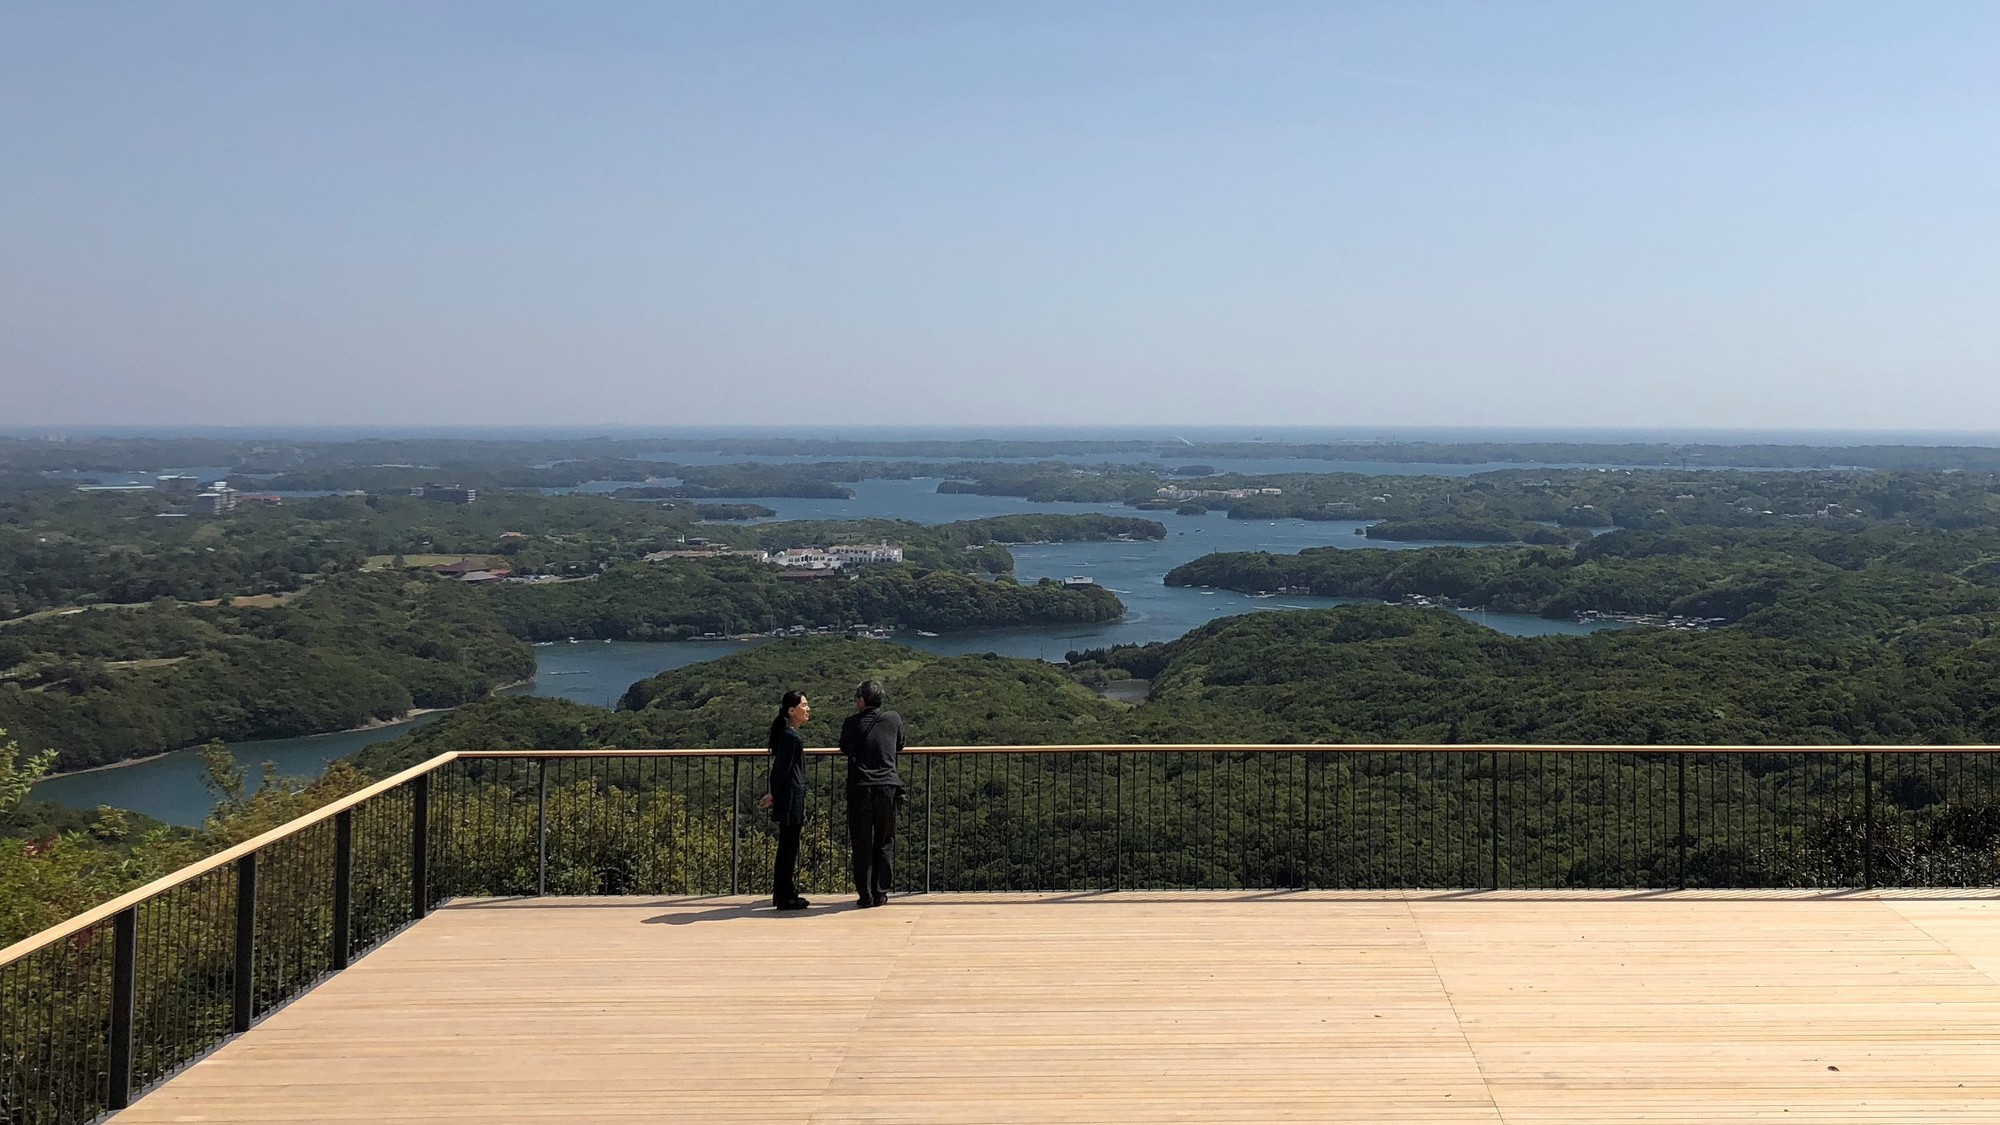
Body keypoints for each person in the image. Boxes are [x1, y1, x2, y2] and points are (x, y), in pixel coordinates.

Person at [838, 679, 903, 908]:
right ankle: (881, 892)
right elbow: (900, 745)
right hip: (887, 786)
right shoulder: (893, 719)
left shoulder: (851, 723)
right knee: (885, 840)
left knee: (861, 842)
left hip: (860, 787)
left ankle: (864, 895)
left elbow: (844, 747)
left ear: (862, 700)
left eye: (857, 698)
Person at [758, 690, 811, 911]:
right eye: (804, 705)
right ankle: (784, 895)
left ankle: (784, 893)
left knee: (787, 847)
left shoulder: (787, 735)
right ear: (792, 710)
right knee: (788, 848)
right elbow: (782, 770)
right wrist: (774, 794)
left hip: (788, 795)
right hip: (790, 797)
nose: (808, 709)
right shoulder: (791, 736)